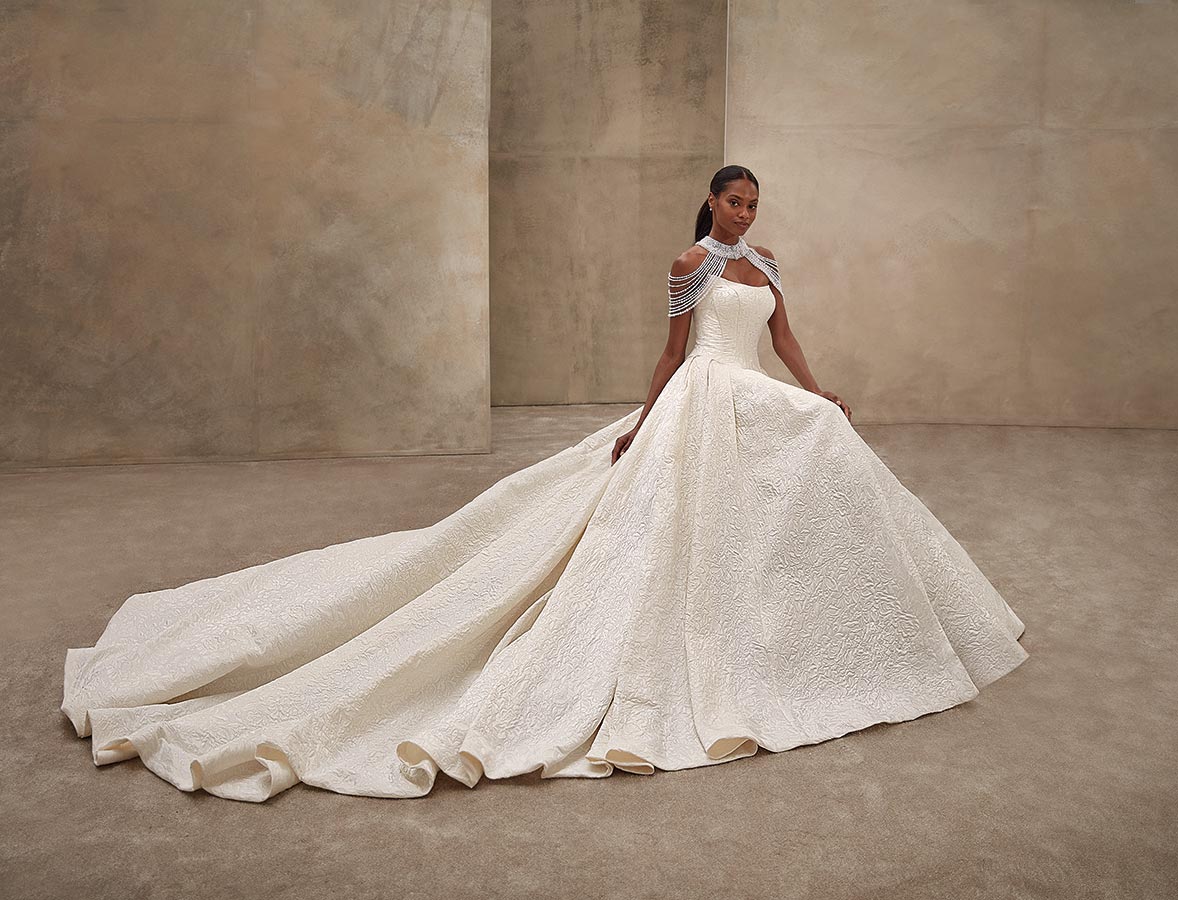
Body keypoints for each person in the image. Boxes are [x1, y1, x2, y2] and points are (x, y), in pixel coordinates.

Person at [60, 164, 1028, 803]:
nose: (746, 213)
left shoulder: (767, 264)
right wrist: (644, 423)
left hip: (760, 401)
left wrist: (820, 393)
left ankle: (813, 633)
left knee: (816, 460)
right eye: (734, 201)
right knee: (659, 537)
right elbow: (670, 350)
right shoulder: (690, 262)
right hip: (698, 400)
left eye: (754, 203)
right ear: (708, 203)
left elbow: (780, 338)